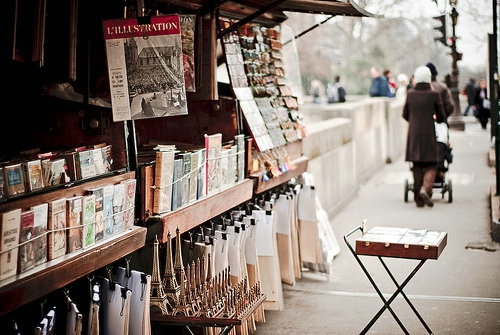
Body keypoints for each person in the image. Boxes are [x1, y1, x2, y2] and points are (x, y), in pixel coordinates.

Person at [403, 65, 447, 207]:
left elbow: (405, 114)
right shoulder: (433, 94)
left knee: (417, 165)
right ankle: (425, 189)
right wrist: (434, 117)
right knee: (431, 163)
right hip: (429, 132)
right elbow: (441, 117)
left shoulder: (410, 93)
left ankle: (418, 199)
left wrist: (414, 121)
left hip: (414, 134)